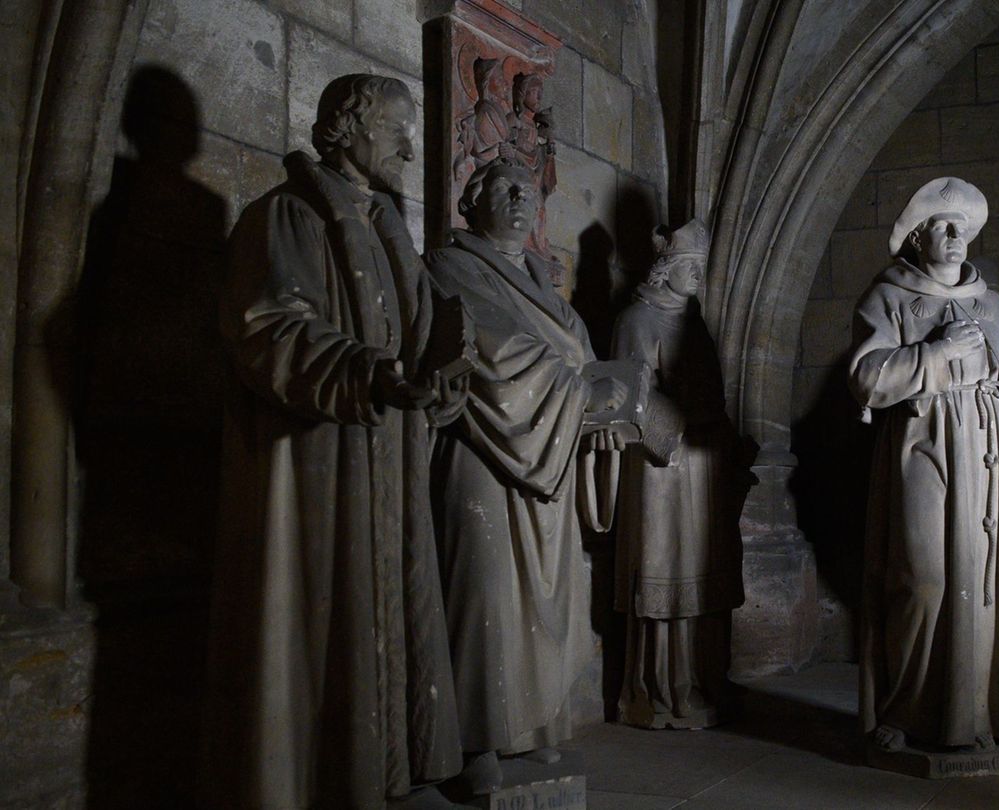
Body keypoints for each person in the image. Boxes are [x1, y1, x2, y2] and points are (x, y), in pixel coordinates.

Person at [205, 74, 465, 809]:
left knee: (396, 605)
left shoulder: (388, 232)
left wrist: (439, 384)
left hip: (390, 456)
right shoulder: (285, 218)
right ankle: (332, 782)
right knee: (326, 619)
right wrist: (366, 373)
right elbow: (267, 327)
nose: (412, 147)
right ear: (346, 128)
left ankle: (393, 773)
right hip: (324, 462)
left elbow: (415, 341)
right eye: (398, 129)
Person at [426, 155, 629, 794]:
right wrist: (586, 390)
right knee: (482, 590)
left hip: (552, 455)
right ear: (472, 201)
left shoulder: (547, 289)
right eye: (504, 188)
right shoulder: (446, 267)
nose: (520, 199)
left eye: (528, 191)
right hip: (484, 447)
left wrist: (613, 398)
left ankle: (524, 729)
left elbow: (583, 359)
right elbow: (490, 354)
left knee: (542, 599)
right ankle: (471, 740)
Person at [849, 177, 999, 757]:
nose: (955, 235)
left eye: (961, 227)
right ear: (917, 238)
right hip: (925, 442)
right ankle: (905, 708)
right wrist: (935, 353)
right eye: (942, 226)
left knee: (985, 583)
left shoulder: (990, 302)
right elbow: (867, 379)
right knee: (923, 579)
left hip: (991, 452)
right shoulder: (888, 296)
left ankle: (975, 711)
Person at [610, 220, 744, 729]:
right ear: (665, 269)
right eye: (689, 267)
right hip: (661, 466)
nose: (696, 277)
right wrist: (682, 422)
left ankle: (704, 677)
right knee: (666, 570)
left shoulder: (695, 323)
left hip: (702, 463)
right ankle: (663, 688)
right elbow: (627, 397)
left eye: (700, 269)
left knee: (704, 573)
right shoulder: (636, 320)